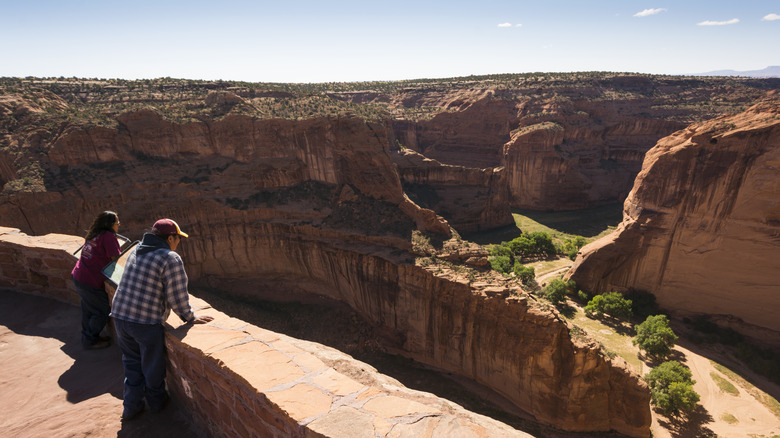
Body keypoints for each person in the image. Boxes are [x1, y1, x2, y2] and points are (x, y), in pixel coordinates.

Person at [110, 218, 213, 420]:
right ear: (170, 237)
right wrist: (190, 317)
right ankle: (157, 404)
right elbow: (177, 295)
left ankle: (131, 407)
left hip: (120, 316)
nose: (179, 242)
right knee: (152, 366)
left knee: (131, 364)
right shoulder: (169, 257)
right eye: (178, 238)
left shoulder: (138, 248)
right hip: (144, 323)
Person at [71, 211, 122, 349]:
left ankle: (87, 336)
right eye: (117, 222)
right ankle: (90, 341)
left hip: (79, 275)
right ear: (110, 224)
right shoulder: (108, 237)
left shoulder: (94, 233)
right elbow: (115, 259)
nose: (119, 224)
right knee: (102, 311)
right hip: (90, 280)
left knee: (88, 309)